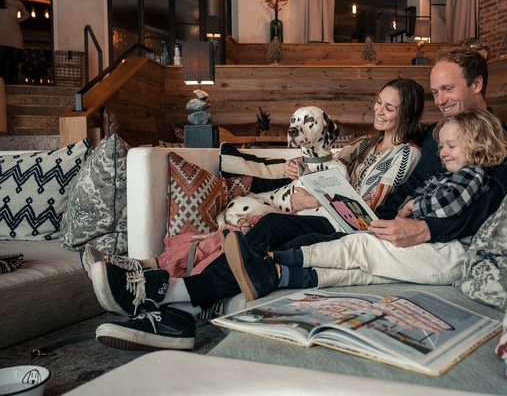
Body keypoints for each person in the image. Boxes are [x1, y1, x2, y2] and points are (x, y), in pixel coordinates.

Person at [91, 48, 507, 351]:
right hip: (375, 220)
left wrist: (425, 227)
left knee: (284, 244)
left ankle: (163, 297)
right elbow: (410, 190)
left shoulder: (496, 139)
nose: (441, 101)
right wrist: (364, 208)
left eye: (448, 90)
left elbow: (486, 205)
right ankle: (173, 303)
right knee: (271, 224)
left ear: (477, 83)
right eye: (437, 92)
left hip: (423, 238)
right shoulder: (435, 136)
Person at [84, 78, 424, 278]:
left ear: (406, 113)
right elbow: (328, 165)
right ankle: (156, 265)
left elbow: (367, 207)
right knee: (245, 229)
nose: (379, 111)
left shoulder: (407, 153)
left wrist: (315, 196)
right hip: (321, 209)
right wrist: (300, 171)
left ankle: (161, 269)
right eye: (378, 102)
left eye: (389, 108)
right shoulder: (364, 144)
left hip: (343, 223)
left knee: (266, 227)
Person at [223, 108, 507, 301]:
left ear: (477, 146)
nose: (443, 153)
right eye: (441, 147)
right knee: (357, 270)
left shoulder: (472, 172)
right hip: (436, 248)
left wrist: (412, 207)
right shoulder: (443, 173)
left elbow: (447, 205)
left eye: (451, 146)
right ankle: (272, 275)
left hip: (450, 254)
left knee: (360, 248)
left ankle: (269, 260)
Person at [0, 0, 28, 84]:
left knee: (14, 61)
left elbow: (27, 14)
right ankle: (1, 85)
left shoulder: (17, 3)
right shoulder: (0, 2)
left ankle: (14, 82)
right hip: (1, 35)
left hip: (15, 35)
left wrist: (18, 20)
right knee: (1, 60)